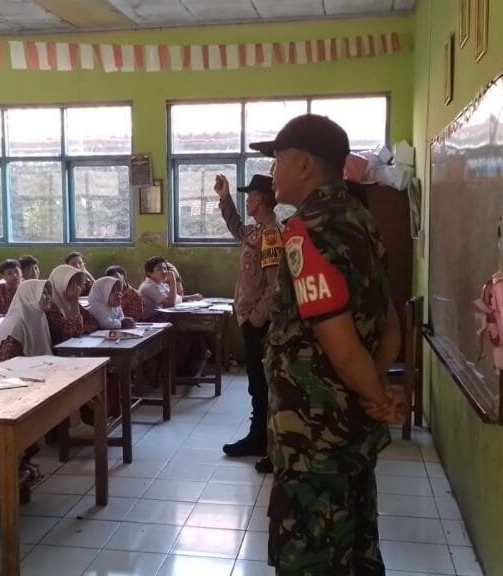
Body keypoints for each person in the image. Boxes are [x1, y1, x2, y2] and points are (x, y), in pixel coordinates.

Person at [250, 114, 401, 575]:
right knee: (354, 546)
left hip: (314, 435)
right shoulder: (361, 219)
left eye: (278, 159)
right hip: (351, 427)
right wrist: (375, 390)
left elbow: (341, 345)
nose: (272, 171)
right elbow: (389, 321)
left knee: (311, 556)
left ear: (305, 166)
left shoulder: (308, 232)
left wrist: (378, 398)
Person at [214, 173, 283, 469]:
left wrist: (256, 319)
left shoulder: (271, 234)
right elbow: (237, 228)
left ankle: (264, 439)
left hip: (259, 320)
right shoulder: (256, 231)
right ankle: (259, 436)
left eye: (250, 196)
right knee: (256, 380)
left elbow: (275, 284)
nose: (247, 200)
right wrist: (224, 199)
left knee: (262, 381)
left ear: (261, 200)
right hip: (248, 316)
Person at [0, 280, 54, 363]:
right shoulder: (15, 324)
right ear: (30, 296)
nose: (49, 297)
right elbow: (7, 363)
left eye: (48, 293)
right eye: (43, 293)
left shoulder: (39, 316)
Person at [46, 265, 93, 345]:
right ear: (61, 284)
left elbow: (93, 322)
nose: (80, 288)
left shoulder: (68, 302)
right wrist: (74, 303)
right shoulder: (50, 307)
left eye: (79, 284)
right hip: (58, 351)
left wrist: (81, 328)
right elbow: (75, 332)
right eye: (75, 285)